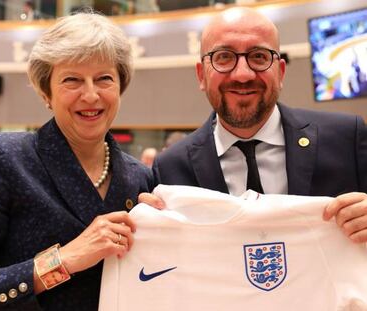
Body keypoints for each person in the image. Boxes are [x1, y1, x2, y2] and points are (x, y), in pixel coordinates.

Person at [0, 12, 155, 310]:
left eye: (104, 79)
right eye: (72, 80)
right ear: (46, 93)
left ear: (120, 88)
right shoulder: (3, 159)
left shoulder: (140, 178)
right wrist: (63, 260)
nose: (90, 94)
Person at [141, 7, 367, 243]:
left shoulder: (346, 139)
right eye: (224, 57)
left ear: (280, 72)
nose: (242, 74)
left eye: (259, 56)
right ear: (201, 75)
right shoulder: (170, 169)